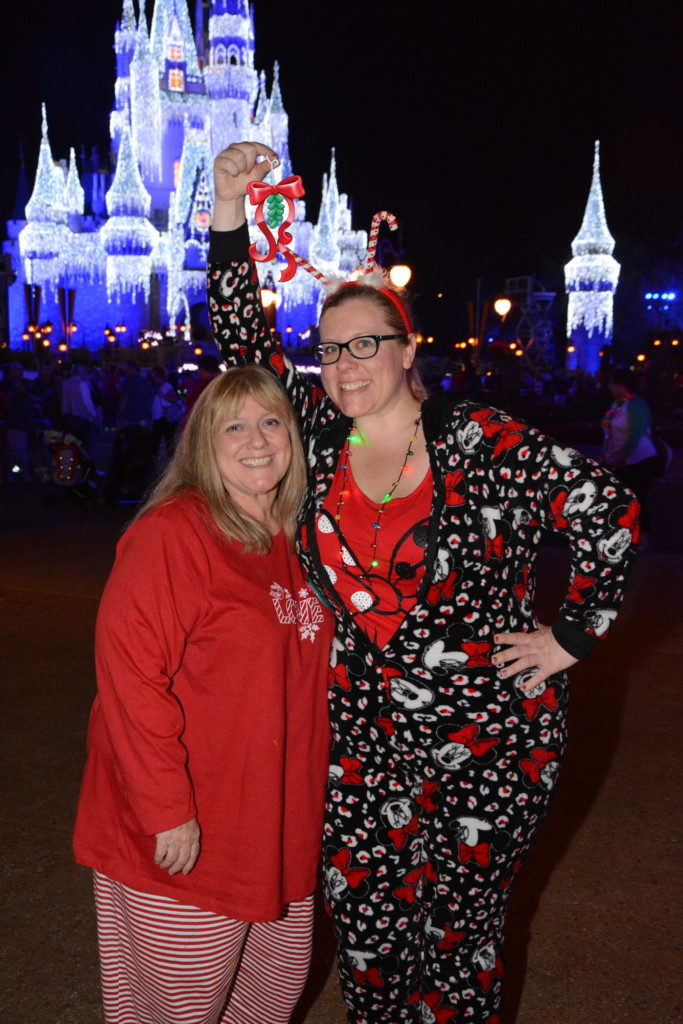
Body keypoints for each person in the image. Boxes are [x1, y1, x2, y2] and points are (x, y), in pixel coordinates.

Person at [206, 142, 641, 1024]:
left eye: (367, 344)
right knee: (367, 935)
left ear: (408, 349)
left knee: (459, 938)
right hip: (358, 744)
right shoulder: (326, 439)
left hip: (490, 739)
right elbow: (241, 342)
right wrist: (226, 208)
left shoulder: (483, 440)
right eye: (330, 351)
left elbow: (610, 512)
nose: (344, 364)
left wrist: (568, 636)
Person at [73, 364, 333, 1024]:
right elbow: (129, 676)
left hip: (276, 828)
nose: (256, 439)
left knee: (267, 999)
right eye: (233, 426)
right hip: (189, 834)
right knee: (179, 1011)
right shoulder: (175, 533)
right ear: (201, 445)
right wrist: (167, 808)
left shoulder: (299, 536)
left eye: (271, 421)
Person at [602, 367, 659, 549]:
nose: (609, 387)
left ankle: (641, 539)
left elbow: (634, 435)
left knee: (637, 497)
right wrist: (608, 456)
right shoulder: (616, 405)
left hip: (640, 459)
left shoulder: (637, 405)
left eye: (612, 383)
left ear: (621, 385)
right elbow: (611, 433)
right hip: (620, 459)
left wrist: (621, 456)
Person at [149, 365, 184, 457]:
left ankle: (170, 459)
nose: (153, 378)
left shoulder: (166, 386)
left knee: (167, 438)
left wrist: (161, 395)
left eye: (154, 376)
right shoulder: (155, 386)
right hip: (158, 416)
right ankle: (154, 458)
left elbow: (174, 399)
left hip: (166, 415)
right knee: (156, 438)